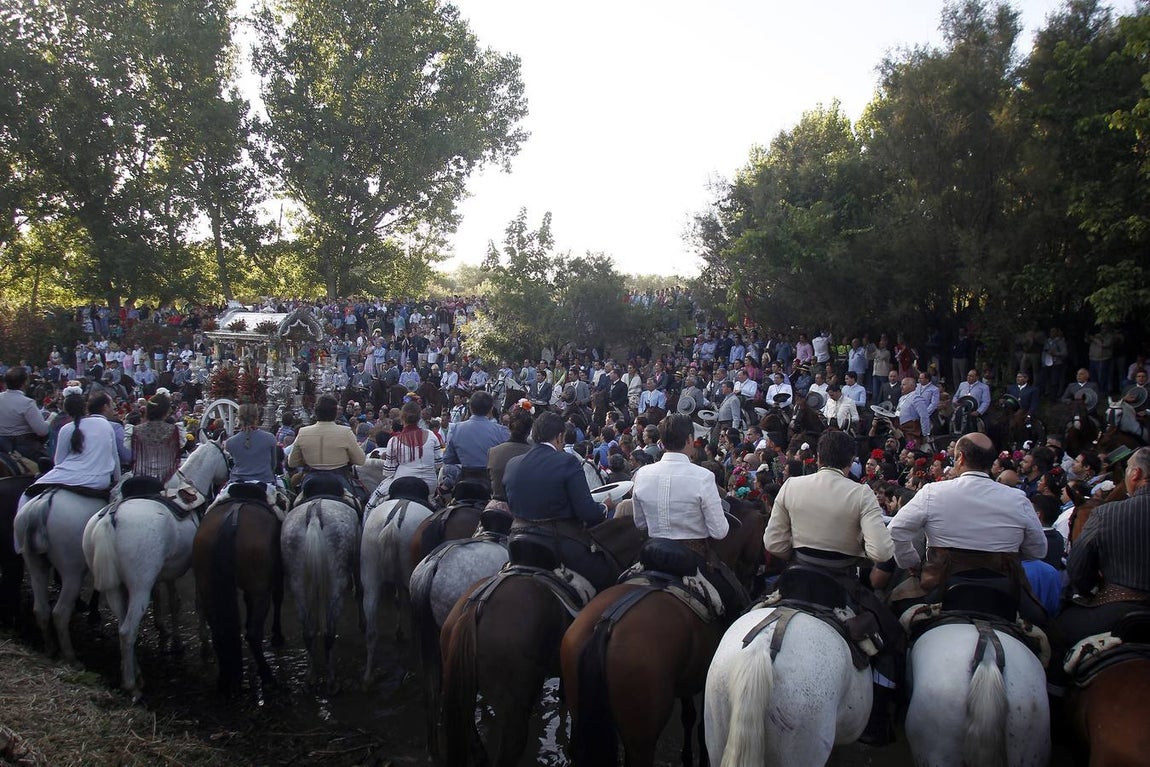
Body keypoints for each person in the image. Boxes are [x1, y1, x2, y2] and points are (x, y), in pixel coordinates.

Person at [762, 429, 899, 745]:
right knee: (890, 636)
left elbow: (773, 543)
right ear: (851, 462)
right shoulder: (861, 493)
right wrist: (857, 550)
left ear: (817, 457)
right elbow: (881, 553)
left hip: (796, 576)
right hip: (841, 581)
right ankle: (877, 720)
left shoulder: (792, 486)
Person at [887, 433, 1047, 619]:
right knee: (1043, 625)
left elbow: (896, 530)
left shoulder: (933, 492)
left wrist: (912, 562)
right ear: (990, 462)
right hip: (1005, 591)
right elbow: (1038, 551)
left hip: (939, 589)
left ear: (960, 458)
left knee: (894, 617)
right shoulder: (1018, 499)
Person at [631, 413, 744, 613]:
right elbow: (719, 532)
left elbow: (640, 523)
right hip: (693, 559)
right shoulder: (703, 477)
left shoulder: (642, 474)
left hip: (651, 554)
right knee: (736, 601)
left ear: (661, 441)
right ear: (690, 439)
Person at [503, 412, 615, 591]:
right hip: (557, 545)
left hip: (517, 542)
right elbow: (588, 513)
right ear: (560, 437)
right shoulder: (567, 461)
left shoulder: (513, 463)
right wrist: (604, 507)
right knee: (609, 577)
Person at [1056, 446, 1150, 647]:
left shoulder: (1106, 513)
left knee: (1059, 631)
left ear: (1136, 474)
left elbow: (1077, 569)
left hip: (1117, 609)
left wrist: (1089, 588)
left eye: (1127, 470)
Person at [15, 393, 120, 551]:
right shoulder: (103, 424)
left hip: (65, 474)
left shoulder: (66, 429)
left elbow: (59, 461)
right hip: (97, 479)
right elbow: (114, 456)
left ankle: (19, 546)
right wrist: (117, 480)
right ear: (85, 407)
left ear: (66, 410)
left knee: (27, 494)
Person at [287, 394, 367, 502]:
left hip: (310, 480)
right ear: (335, 413)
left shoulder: (303, 432)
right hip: (339, 480)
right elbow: (361, 460)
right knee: (362, 500)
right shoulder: (345, 432)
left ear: (316, 412)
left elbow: (292, 462)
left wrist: (308, 460)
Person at [372, 401, 443, 501]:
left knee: (374, 502)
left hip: (403, 483)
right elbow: (439, 464)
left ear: (402, 418)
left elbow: (389, 472)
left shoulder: (394, 441)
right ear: (419, 417)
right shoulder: (431, 435)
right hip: (429, 484)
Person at [443, 390, 509, 490]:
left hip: (465, 480)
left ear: (470, 407)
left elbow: (448, 459)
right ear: (491, 409)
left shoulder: (456, 429)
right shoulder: (502, 431)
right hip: (491, 483)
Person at [222, 403, 280, 507]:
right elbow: (273, 465)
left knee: (214, 506)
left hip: (237, 483)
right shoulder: (270, 438)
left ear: (239, 418)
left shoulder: (230, 442)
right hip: (264, 482)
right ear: (257, 417)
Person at [131, 393, 182, 483]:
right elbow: (176, 455)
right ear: (166, 411)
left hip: (142, 476)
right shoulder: (173, 429)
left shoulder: (136, 430)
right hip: (169, 477)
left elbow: (133, 456)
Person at [486, 407, 533, 504]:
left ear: (509, 427)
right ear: (529, 430)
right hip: (524, 505)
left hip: (497, 505)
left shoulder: (493, 452)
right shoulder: (535, 455)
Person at [0, 367, 50, 460]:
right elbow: (42, 431)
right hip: (24, 447)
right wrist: (51, 420)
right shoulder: (27, 403)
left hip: (2, 445)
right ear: (25, 382)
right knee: (51, 462)